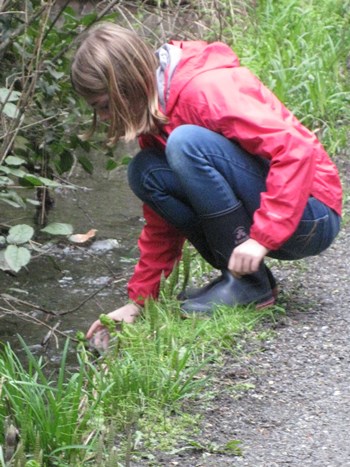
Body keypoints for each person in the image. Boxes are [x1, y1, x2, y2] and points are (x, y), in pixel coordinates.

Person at [70, 22, 342, 349]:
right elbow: (162, 224)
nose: (104, 117)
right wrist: (140, 300)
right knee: (146, 172)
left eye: (104, 106)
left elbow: (295, 150)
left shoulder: (204, 88)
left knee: (186, 143)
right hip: (278, 221)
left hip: (312, 215)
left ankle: (249, 286)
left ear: (126, 86)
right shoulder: (158, 113)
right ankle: (243, 280)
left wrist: (261, 238)